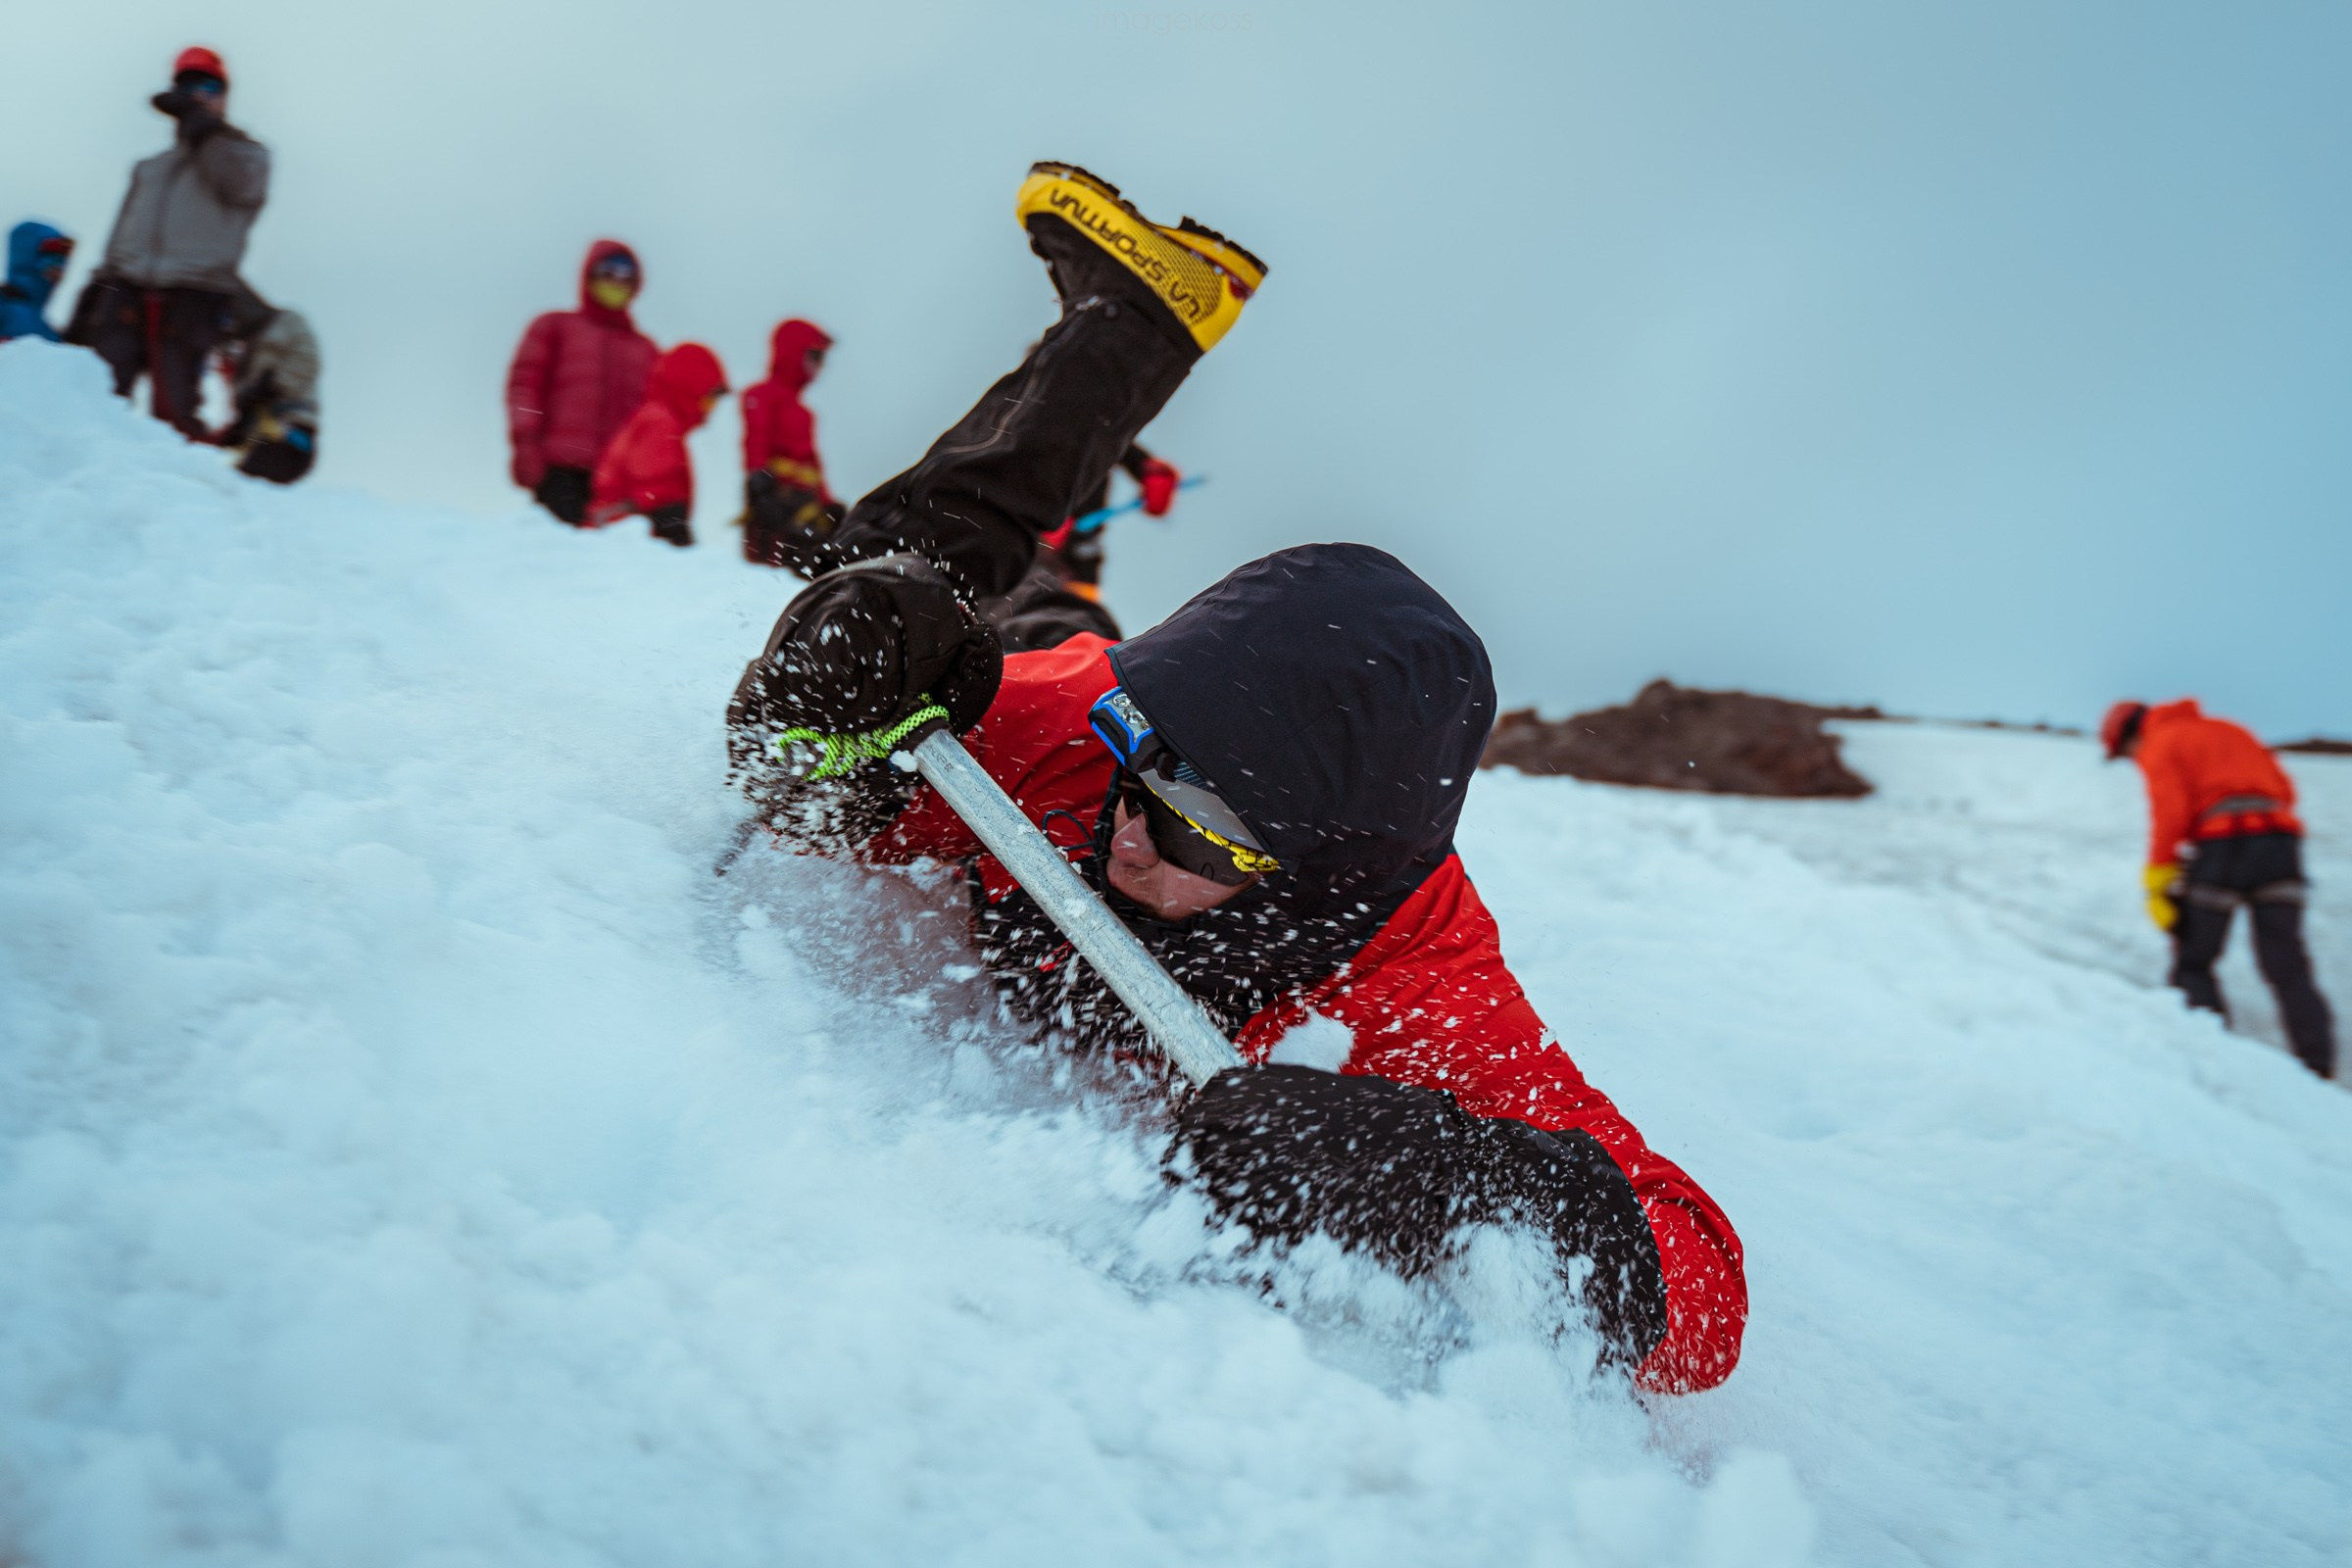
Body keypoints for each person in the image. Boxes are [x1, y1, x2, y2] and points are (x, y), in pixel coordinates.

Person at [724, 162, 1745, 1394]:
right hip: (1074, 663)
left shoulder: (1409, 977)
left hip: (1178, 736)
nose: (1130, 836)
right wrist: (818, 714)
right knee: (908, 588)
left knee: (1044, 616)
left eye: (1197, 828)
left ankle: (1132, 328)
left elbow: (1704, 1302)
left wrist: (1433, 1172)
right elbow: (804, 791)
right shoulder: (1087, 731)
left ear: (1313, 866)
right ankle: (1112, 370)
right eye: (1142, 766)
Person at [2104, 700, 2335, 1078]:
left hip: (2223, 847)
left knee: (2194, 962)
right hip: (2280, 843)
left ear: (2131, 736)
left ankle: (2218, 1068)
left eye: (2126, 754)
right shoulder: (2231, 730)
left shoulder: (2161, 743)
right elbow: (2285, 790)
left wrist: (2158, 877)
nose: (2133, 761)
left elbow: (2170, 812)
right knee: (2288, 966)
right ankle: (2318, 1070)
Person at [67, 47, 270, 437]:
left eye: (209, 87)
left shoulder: (248, 156)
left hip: (193, 297)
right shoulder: (151, 168)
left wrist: (205, 132)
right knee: (97, 402)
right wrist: (96, 292)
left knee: (175, 415)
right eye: (188, 86)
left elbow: (243, 187)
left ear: (224, 96)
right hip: (126, 292)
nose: (198, 96)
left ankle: (177, 473)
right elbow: (120, 238)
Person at [505, 241, 659, 525]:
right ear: (588, 275)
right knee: (557, 550)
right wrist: (526, 443)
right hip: (559, 473)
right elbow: (525, 388)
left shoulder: (646, 351)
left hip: (618, 483)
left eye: (626, 276)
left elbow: (655, 420)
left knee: (616, 554)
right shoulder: (554, 328)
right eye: (608, 272)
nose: (616, 282)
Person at [586, 342, 728, 547]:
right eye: (708, 399)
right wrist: (675, 533)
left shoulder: (656, 417)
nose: (711, 410)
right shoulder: (660, 422)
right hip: (624, 536)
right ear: (688, 390)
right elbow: (657, 490)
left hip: (619, 529)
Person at [738, 318, 841, 569]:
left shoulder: (805, 413)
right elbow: (756, 437)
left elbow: (812, 463)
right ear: (793, 353)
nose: (819, 366)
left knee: (811, 568)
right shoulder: (760, 395)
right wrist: (759, 478)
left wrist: (827, 502)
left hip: (805, 503)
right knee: (770, 570)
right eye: (815, 356)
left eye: (822, 359)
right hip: (775, 494)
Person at [214, 282, 318, 483]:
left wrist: (273, 386)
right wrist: (238, 429)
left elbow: (307, 360)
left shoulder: (288, 323)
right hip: (258, 440)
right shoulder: (244, 352)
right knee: (228, 486)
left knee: (239, 487)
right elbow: (250, 404)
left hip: (290, 437)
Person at [0, 222, 74, 343]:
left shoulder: (47, 330)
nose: (58, 268)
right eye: (50, 257)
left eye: (62, 260)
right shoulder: (4, 306)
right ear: (26, 257)